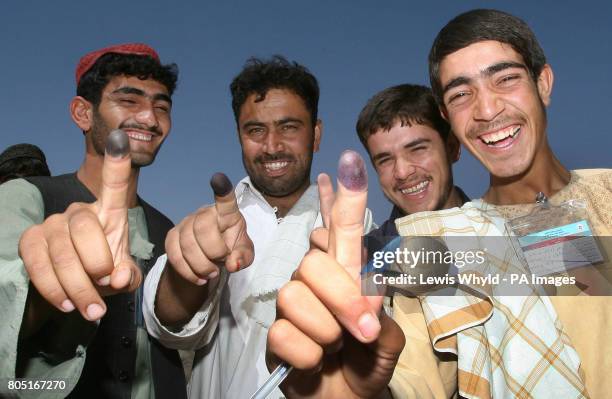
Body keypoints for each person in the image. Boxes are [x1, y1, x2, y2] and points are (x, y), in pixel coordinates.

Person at [267, 8, 611, 399]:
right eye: (462, 94)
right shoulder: (437, 247)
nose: (486, 109)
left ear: (543, 83)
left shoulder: (602, 196)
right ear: (450, 116)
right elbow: (411, 377)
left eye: (506, 78)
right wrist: (357, 381)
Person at [142, 56, 375, 398]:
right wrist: (188, 272)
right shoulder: (214, 222)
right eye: (255, 130)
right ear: (239, 136)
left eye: (289, 127)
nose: (272, 146)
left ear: (316, 135)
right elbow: (169, 325)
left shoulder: (356, 226)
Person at [0, 43, 186, 398]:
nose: (150, 117)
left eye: (161, 105)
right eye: (129, 100)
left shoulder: (168, 231)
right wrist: (42, 291)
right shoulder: (26, 197)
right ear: (83, 114)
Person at [356, 84, 469, 240]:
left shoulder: (507, 231)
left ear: (452, 148)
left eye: (417, 149)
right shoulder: (362, 259)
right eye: (385, 160)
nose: (402, 172)